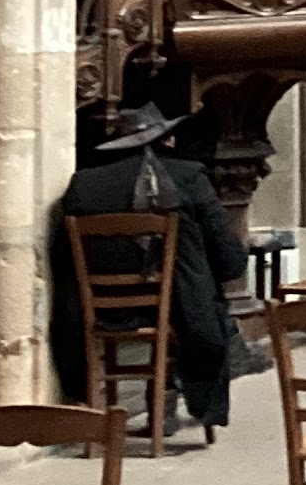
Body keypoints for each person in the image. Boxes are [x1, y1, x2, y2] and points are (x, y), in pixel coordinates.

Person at [50, 100, 257, 437]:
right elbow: (229, 257)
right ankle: (174, 393)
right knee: (198, 300)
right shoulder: (188, 177)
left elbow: (63, 260)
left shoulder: (83, 185)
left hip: (101, 312)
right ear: (168, 140)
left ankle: (152, 399)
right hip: (182, 312)